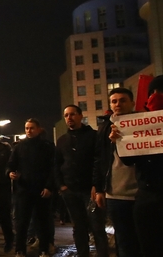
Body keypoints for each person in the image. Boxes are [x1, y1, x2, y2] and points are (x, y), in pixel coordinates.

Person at [120, 75, 163, 256]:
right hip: (146, 196)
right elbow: (129, 160)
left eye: (162, 92)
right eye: (152, 93)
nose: (156, 96)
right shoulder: (138, 124)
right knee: (149, 245)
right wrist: (120, 143)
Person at [54, 105, 108, 257]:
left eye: (72, 114)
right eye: (66, 115)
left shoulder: (93, 136)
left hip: (89, 190)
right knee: (78, 227)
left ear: (80, 116)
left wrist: (97, 186)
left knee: (97, 226)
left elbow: (99, 161)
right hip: (70, 190)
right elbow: (57, 164)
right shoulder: (63, 140)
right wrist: (61, 186)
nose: (69, 118)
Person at [93, 87, 140, 257]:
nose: (118, 104)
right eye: (114, 101)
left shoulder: (142, 123)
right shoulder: (105, 127)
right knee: (123, 239)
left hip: (140, 192)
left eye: (122, 100)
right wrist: (98, 188)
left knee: (142, 238)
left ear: (132, 103)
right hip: (115, 193)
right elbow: (99, 159)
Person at [7, 118, 55, 257]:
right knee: (22, 223)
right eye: (27, 128)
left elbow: (53, 168)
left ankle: (44, 249)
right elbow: (11, 164)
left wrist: (49, 187)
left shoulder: (47, 146)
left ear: (38, 129)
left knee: (42, 222)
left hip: (41, 190)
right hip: (24, 190)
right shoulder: (19, 147)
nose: (29, 131)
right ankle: (20, 250)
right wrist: (10, 173)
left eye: (32, 128)